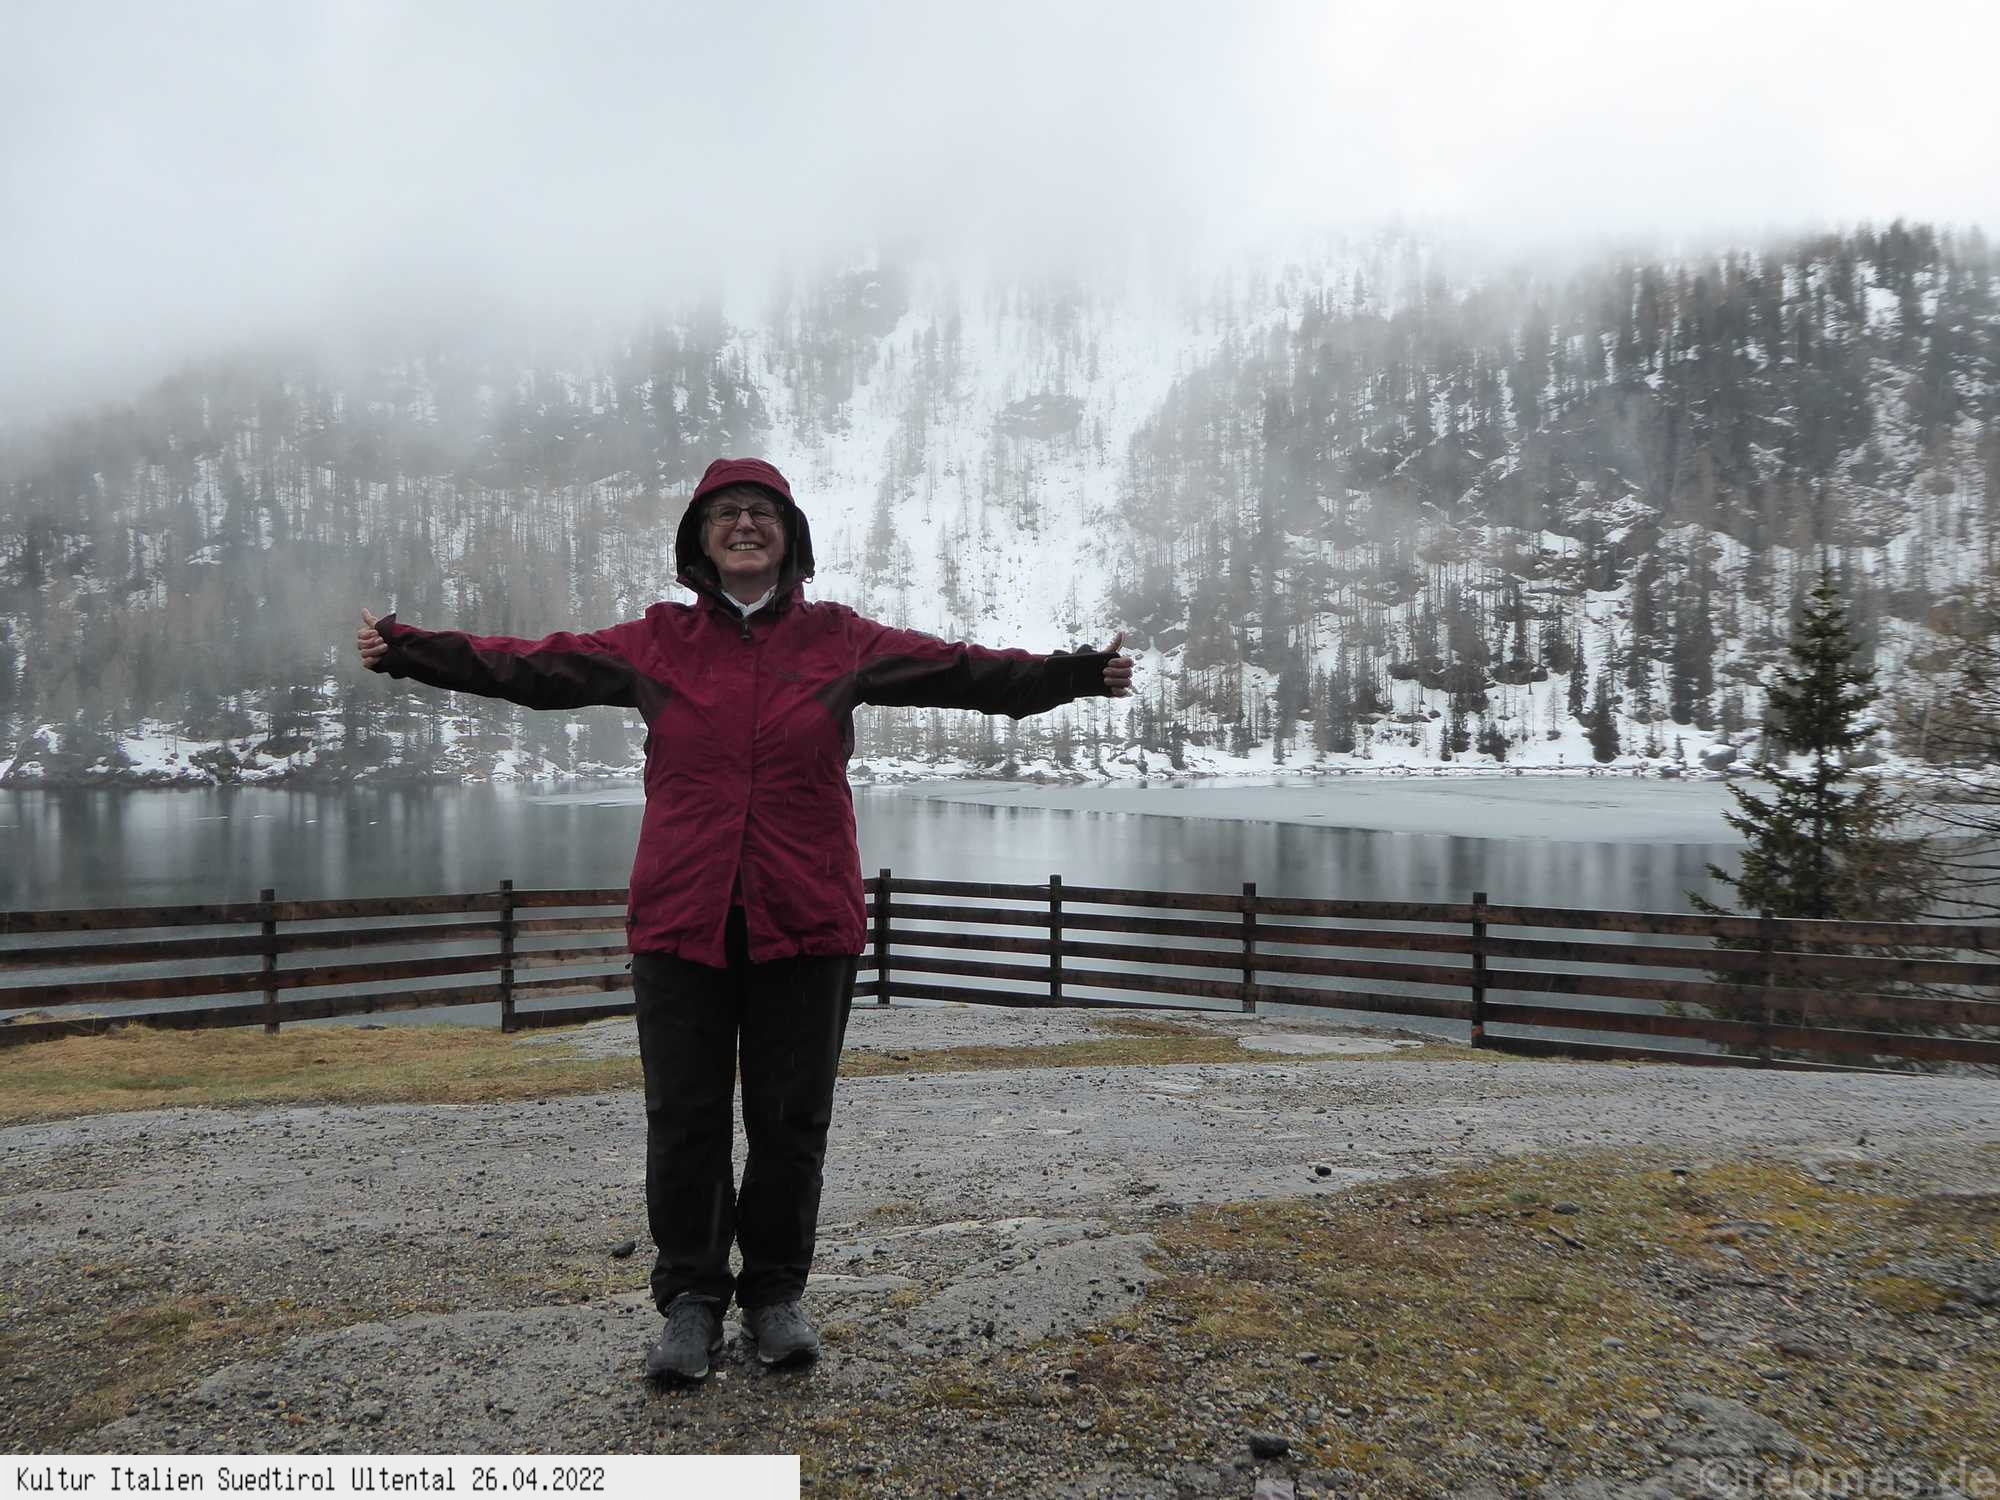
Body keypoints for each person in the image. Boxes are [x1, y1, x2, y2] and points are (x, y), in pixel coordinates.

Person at [355, 456, 1133, 1381]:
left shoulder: (841, 640)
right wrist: (409, 649)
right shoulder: (657, 643)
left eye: (762, 511)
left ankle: (774, 1294)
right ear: (700, 539)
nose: (745, 524)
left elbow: (963, 671)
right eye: (725, 512)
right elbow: (534, 665)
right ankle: (691, 1299)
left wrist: (1075, 674)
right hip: (682, 918)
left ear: (790, 535)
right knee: (684, 1119)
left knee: (790, 1121)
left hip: (805, 916)